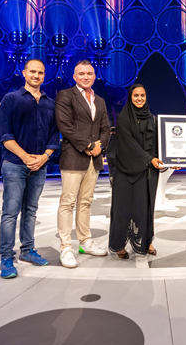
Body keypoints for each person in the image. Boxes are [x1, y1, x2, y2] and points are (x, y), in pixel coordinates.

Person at [0, 59, 59, 279]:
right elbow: (4, 134)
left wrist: (44, 157)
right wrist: (25, 157)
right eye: (32, 71)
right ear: (24, 73)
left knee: (31, 210)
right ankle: (6, 258)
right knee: (10, 212)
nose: (36, 75)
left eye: (40, 72)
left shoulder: (50, 103)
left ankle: (27, 251)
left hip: (39, 166)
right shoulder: (11, 99)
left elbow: (54, 136)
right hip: (14, 164)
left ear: (44, 75)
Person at [55, 60, 111, 268]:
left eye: (89, 73)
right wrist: (88, 145)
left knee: (86, 202)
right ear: (74, 76)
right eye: (81, 73)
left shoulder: (100, 101)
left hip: (93, 159)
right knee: (68, 203)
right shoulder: (65, 96)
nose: (86, 77)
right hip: (73, 156)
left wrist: (99, 147)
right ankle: (65, 247)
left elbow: (106, 128)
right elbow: (65, 126)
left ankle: (85, 241)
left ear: (94, 76)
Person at [108, 84, 166, 258]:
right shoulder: (124, 118)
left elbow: (158, 143)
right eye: (136, 96)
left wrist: (171, 159)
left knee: (145, 209)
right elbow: (128, 144)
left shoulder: (152, 119)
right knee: (122, 209)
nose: (139, 98)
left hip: (146, 172)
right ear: (130, 97)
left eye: (142, 95)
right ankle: (119, 245)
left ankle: (146, 241)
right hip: (125, 170)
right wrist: (148, 159)